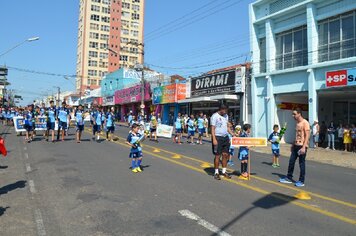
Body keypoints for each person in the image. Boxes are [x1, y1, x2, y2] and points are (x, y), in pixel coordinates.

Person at [279, 108, 310, 187]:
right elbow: (297, 135)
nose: (293, 116)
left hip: (302, 146)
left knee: (301, 164)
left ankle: (301, 181)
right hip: (296, 145)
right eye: (293, 114)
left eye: (294, 114)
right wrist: (293, 144)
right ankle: (289, 177)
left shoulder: (305, 123)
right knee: (291, 161)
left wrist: (304, 147)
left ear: (299, 114)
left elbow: (307, 136)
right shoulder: (297, 123)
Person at [211, 104, 235, 180]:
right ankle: (216, 172)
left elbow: (227, 127)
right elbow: (212, 128)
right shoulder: (214, 116)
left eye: (226, 110)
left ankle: (224, 171)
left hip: (225, 137)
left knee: (225, 155)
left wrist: (232, 134)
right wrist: (214, 139)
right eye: (225, 110)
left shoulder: (226, 116)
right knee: (218, 155)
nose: (225, 112)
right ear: (221, 109)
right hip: (218, 137)